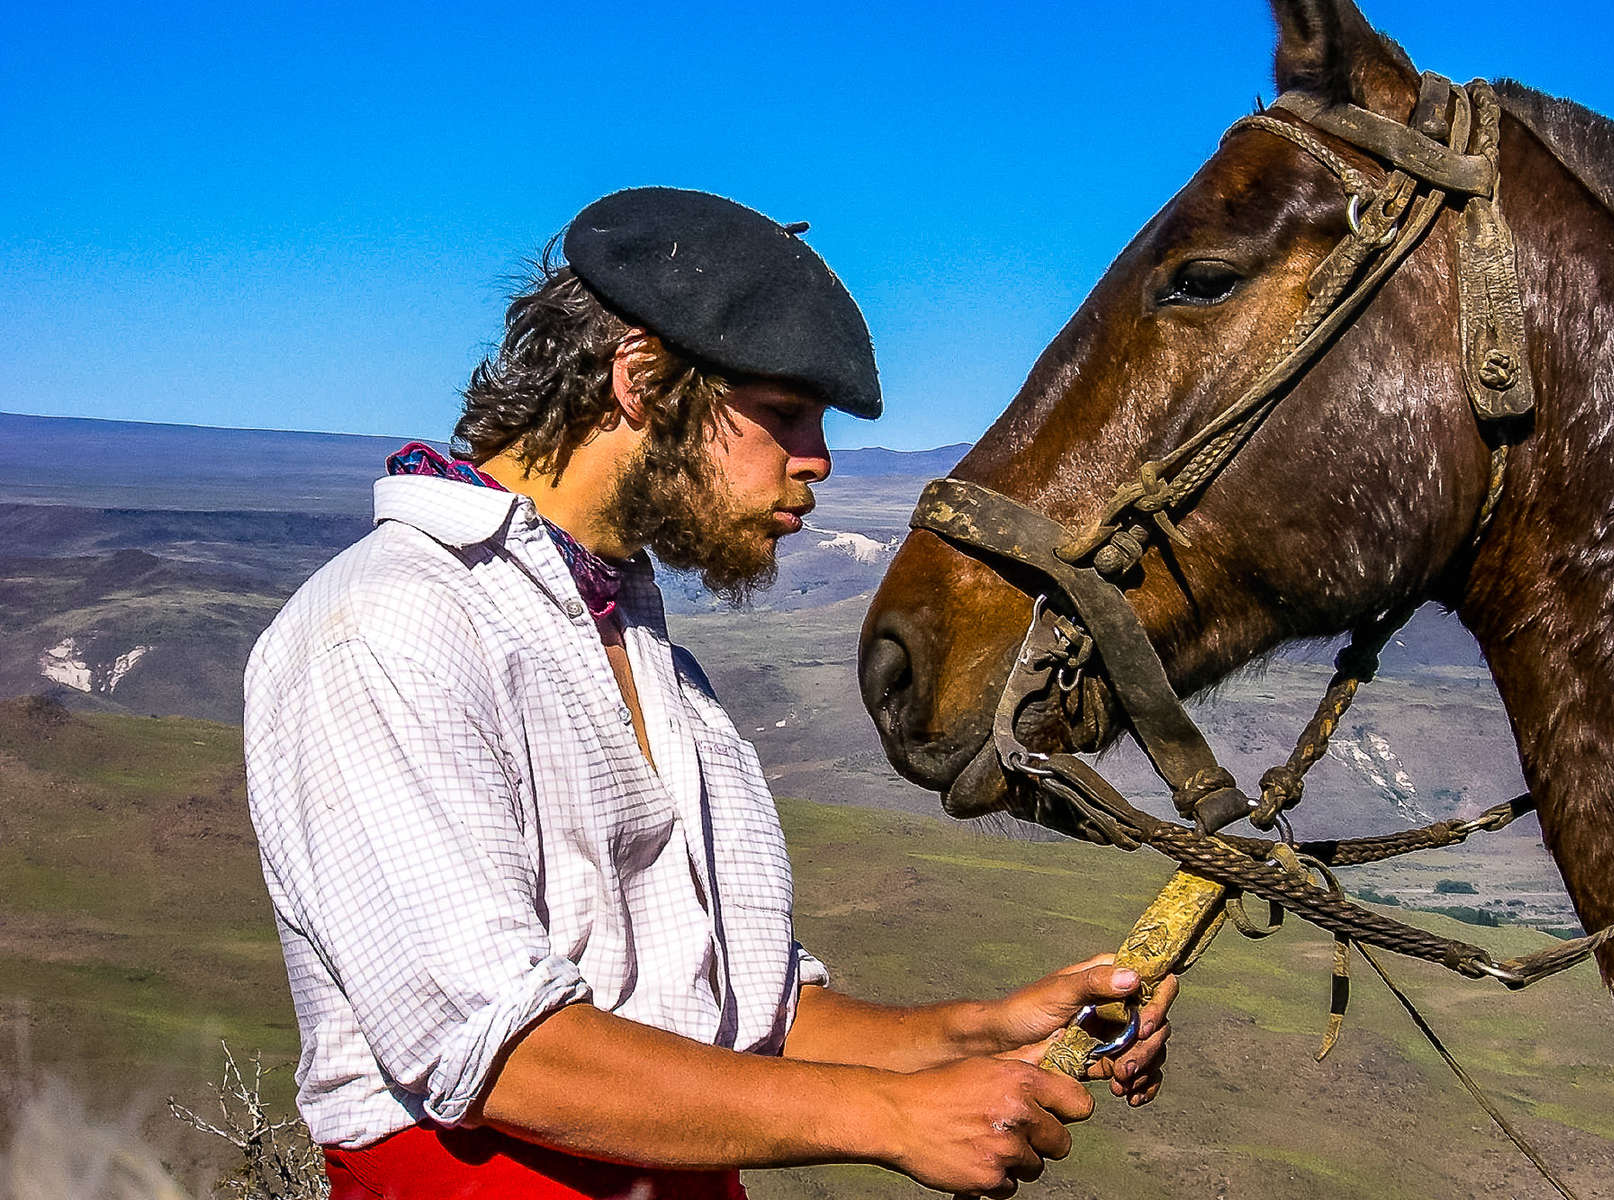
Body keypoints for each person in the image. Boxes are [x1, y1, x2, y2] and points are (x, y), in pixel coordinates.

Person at [243, 187, 1176, 1200]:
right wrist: (891, 1117)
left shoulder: (654, 662)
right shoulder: (390, 623)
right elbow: (504, 1056)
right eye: (782, 414)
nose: (817, 461)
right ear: (640, 379)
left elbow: (747, 1015)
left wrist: (984, 1033)